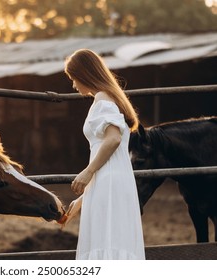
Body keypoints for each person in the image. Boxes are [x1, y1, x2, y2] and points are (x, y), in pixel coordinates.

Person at [63, 49, 145, 260]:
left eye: (73, 79)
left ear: (84, 74)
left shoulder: (101, 99)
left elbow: (113, 139)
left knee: (106, 241)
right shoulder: (112, 99)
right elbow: (113, 154)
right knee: (114, 240)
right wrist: (84, 198)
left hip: (108, 184)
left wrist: (87, 172)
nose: (73, 85)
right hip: (114, 182)